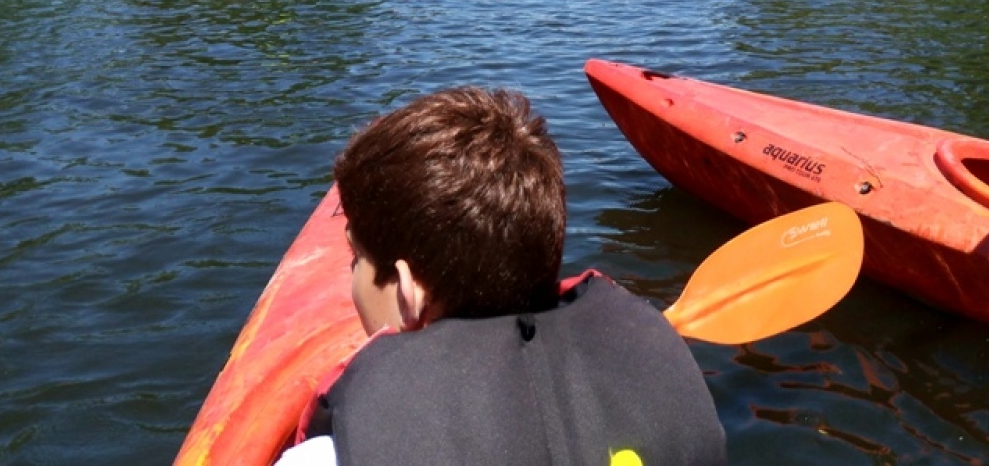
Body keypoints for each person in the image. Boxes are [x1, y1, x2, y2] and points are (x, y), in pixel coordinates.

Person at [279, 88, 727, 466]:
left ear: (408, 291)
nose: (352, 273)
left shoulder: (330, 454)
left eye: (355, 259)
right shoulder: (655, 379)